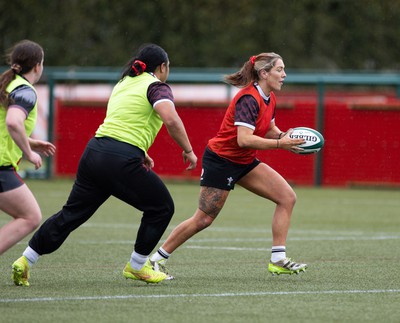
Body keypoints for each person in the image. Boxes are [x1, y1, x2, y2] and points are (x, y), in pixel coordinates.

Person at [12, 43, 198, 286]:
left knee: (70, 215)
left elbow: (123, 120)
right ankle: (137, 266)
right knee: (161, 207)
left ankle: (25, 260)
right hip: (119, 159)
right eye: (168, 66)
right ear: (162, 67)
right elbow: (171, 119)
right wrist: (189, 150)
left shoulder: (123, 83)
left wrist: (140, 151)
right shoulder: (156, 86)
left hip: (95, 153)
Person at [150, 52, 308, 277]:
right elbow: (244, 139)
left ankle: (278, 259)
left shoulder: (270, 97)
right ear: (264, 73)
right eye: (279, 70)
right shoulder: (248, 99)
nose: (284, 75)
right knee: (203, 218)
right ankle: (155, 260)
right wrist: (280, 143)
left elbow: (269, 128)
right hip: (221, 161)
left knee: (287, 197)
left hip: (243, 161)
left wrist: (284, 136)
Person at [0, 40, 56, 258]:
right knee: (30, 216)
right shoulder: (25, 90)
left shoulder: (6, 84)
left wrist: (30, 142)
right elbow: (13, 122)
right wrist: (29, 153)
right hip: (1, 166)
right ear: (37, 66)